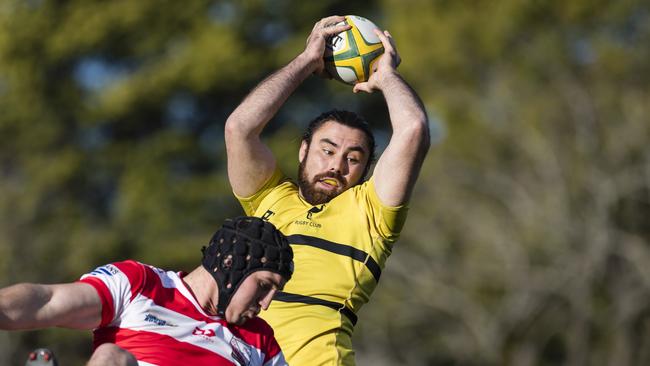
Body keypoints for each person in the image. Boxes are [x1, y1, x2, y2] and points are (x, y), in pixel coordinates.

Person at [224, 15, 430, 366]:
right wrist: (306, 61)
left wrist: (388, 78)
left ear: (367, 170)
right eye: (328, 150)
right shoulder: (268, 196)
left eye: (353, 158)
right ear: (303, 150)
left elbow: (413, 129)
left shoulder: (371, 212)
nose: (336, 166)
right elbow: (239, 128)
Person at [0, 216, 294, 366]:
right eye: (264, 286)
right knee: (111, 357)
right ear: (230, 264)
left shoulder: (261, 340)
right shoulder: (140, 283)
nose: (266, 304)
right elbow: (46, 300)